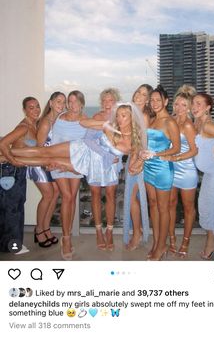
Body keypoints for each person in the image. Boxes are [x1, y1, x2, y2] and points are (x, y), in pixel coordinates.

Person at [9, 102, 147, 259]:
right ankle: (5, 152)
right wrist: (105, 126)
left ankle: (8, 157)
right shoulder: (110, 128)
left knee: (46, 159)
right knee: (45, 152)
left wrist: (141, 160)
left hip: (88, 164)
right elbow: (86, 128)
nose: (120, 119)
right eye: (118, 115)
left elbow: (133, 167)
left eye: (124, 116)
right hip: (80, 148)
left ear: (132, 118)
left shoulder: (134, 142)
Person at [140, 85, 180, 260]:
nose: (155, 103)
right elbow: (146, 142)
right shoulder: (152, 119)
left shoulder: (169, 122)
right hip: (148, 167)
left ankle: (162, 246)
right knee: (153, 206)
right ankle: (157, 242)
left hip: (163, 168)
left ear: (166, 101)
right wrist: (143, 152)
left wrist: (157, 154)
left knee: (163, 209)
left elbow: (176, 148)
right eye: (152, 100)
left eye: (158, 100)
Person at [49, 90, 88, 259]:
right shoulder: (60, 118)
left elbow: (88, 146)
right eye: (69, 102)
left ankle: (68, 234)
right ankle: (65, 239)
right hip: (58, 163)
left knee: (72, 198)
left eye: (75, 102)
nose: (72, 105)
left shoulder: (86, 121)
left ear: (81, 103)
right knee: (66, 197)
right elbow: (52, 142)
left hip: (75, 165)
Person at [161, 85, 198, 258]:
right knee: (170, 205)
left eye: (183, 105)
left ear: (189, 107)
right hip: (170, 169)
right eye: (176, 104)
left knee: (189, 208)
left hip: (186, 170)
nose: (179, 108)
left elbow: (193, 150)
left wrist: (175, 158)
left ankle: (186, 240)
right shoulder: (170, 120)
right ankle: (172, 238)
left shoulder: (189, 126)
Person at [0, 97, 41, 253]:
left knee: (14, 206)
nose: (36, 110)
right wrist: (13, 161)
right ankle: (13, 247)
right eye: (31, 107)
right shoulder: (24, 127)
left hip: (17, 170)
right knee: (13, 208)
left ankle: (8, 245)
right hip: (11, 170)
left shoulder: (34, 125)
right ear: (25, 110)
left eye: (37, 106)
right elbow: (3, 144)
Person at [27, 92, 66, 247]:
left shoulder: (59, 121)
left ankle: (46, 227)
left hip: (50, 164)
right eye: (58, 101)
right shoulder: (45, 122)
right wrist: (46, 165)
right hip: (39, 164)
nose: (61, 105)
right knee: (48, 194)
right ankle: (39, 231)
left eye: (63, 102)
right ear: (50, 103)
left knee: (55, 193)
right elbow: (39, 149)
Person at [191, 93, 214, 260]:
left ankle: (210, 246)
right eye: (193, 104)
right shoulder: (198, 123)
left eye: (198, 104)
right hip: (209, 173)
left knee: (211, 208)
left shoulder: (208, 126)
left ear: (208, 107)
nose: (194, 107)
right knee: (204, 207)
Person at [89, 88, 121, 251]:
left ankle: (109, 231)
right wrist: (104, 155)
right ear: (101, 102)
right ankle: (98, 231)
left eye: (111, 100)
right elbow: (88, 141)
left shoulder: (121, 118)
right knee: (95, 194)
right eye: (105, 100)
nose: (108, 103)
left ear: (116, 101)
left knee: (110, 195)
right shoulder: (97, 117)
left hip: (113, 161)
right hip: (96, 160)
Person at [123, 84, 153, 250]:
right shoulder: (132, 112)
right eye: (138, 92)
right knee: (131, 197)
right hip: (132, 158)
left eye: (143, 94)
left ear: (147, 100)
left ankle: (137, 233)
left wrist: (135, 161)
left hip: (139, 160)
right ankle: (138, 230)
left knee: (132, 197)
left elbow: (143, 143)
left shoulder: (144, 116)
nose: (139, 95)